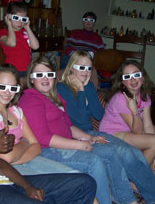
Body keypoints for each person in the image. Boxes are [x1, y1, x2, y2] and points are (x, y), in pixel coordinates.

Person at [19, 56, 155, 204]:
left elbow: (72, 125)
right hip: (50, 149)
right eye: (39, 75)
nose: (45, 78)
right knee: (95, 161)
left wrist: (88, 138)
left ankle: (135, 198)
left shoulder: (55, 97)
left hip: (73, 138)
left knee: (120, 151)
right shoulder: (32, 98)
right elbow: (43, 137)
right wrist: (79, 144)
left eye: (49, 74)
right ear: (31, 79)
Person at [57, 50, 155, 203]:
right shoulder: (62, 88)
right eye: (81, 67)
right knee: (116, 151)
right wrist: (81, 91)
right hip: (75, 134)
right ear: (71, 68)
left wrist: (87, 88)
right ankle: (126, 199)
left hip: (92, 131)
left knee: (131, 152)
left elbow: (98, 114)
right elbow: (77, 118)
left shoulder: (89, 85)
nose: (85, 72)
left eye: (89, 68)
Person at [0, 63, 77, 175]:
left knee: (74, 174)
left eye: (13, 88)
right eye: (1, 87)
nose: (7, 92)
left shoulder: (16, 111)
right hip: (0, 171)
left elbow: (36, 146)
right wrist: (25, 143)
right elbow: (6, 157)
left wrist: (15, 158)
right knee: (66, 184)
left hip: (23, 161)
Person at [99, 60, 155, 171]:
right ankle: (136, 179)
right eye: (127, 77)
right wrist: (134, 110)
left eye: (136, 75)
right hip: (111, 134)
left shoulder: (145, 96)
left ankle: (148, 166)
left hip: (128, 131)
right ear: (123, 83)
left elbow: (148, 125)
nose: (133, 79)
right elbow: (138, 132)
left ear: (142, 78)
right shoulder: (120, 99)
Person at [0, 1, 39, 76]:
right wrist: (9, 25)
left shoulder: (25, 31)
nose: (20, 22)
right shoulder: (3, 33)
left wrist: (27, 28)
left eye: (23, 19)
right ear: (9, 17)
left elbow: (35, 46)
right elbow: (12, 43)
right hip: (13, 71)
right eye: (16, 18)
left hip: (28, 70)